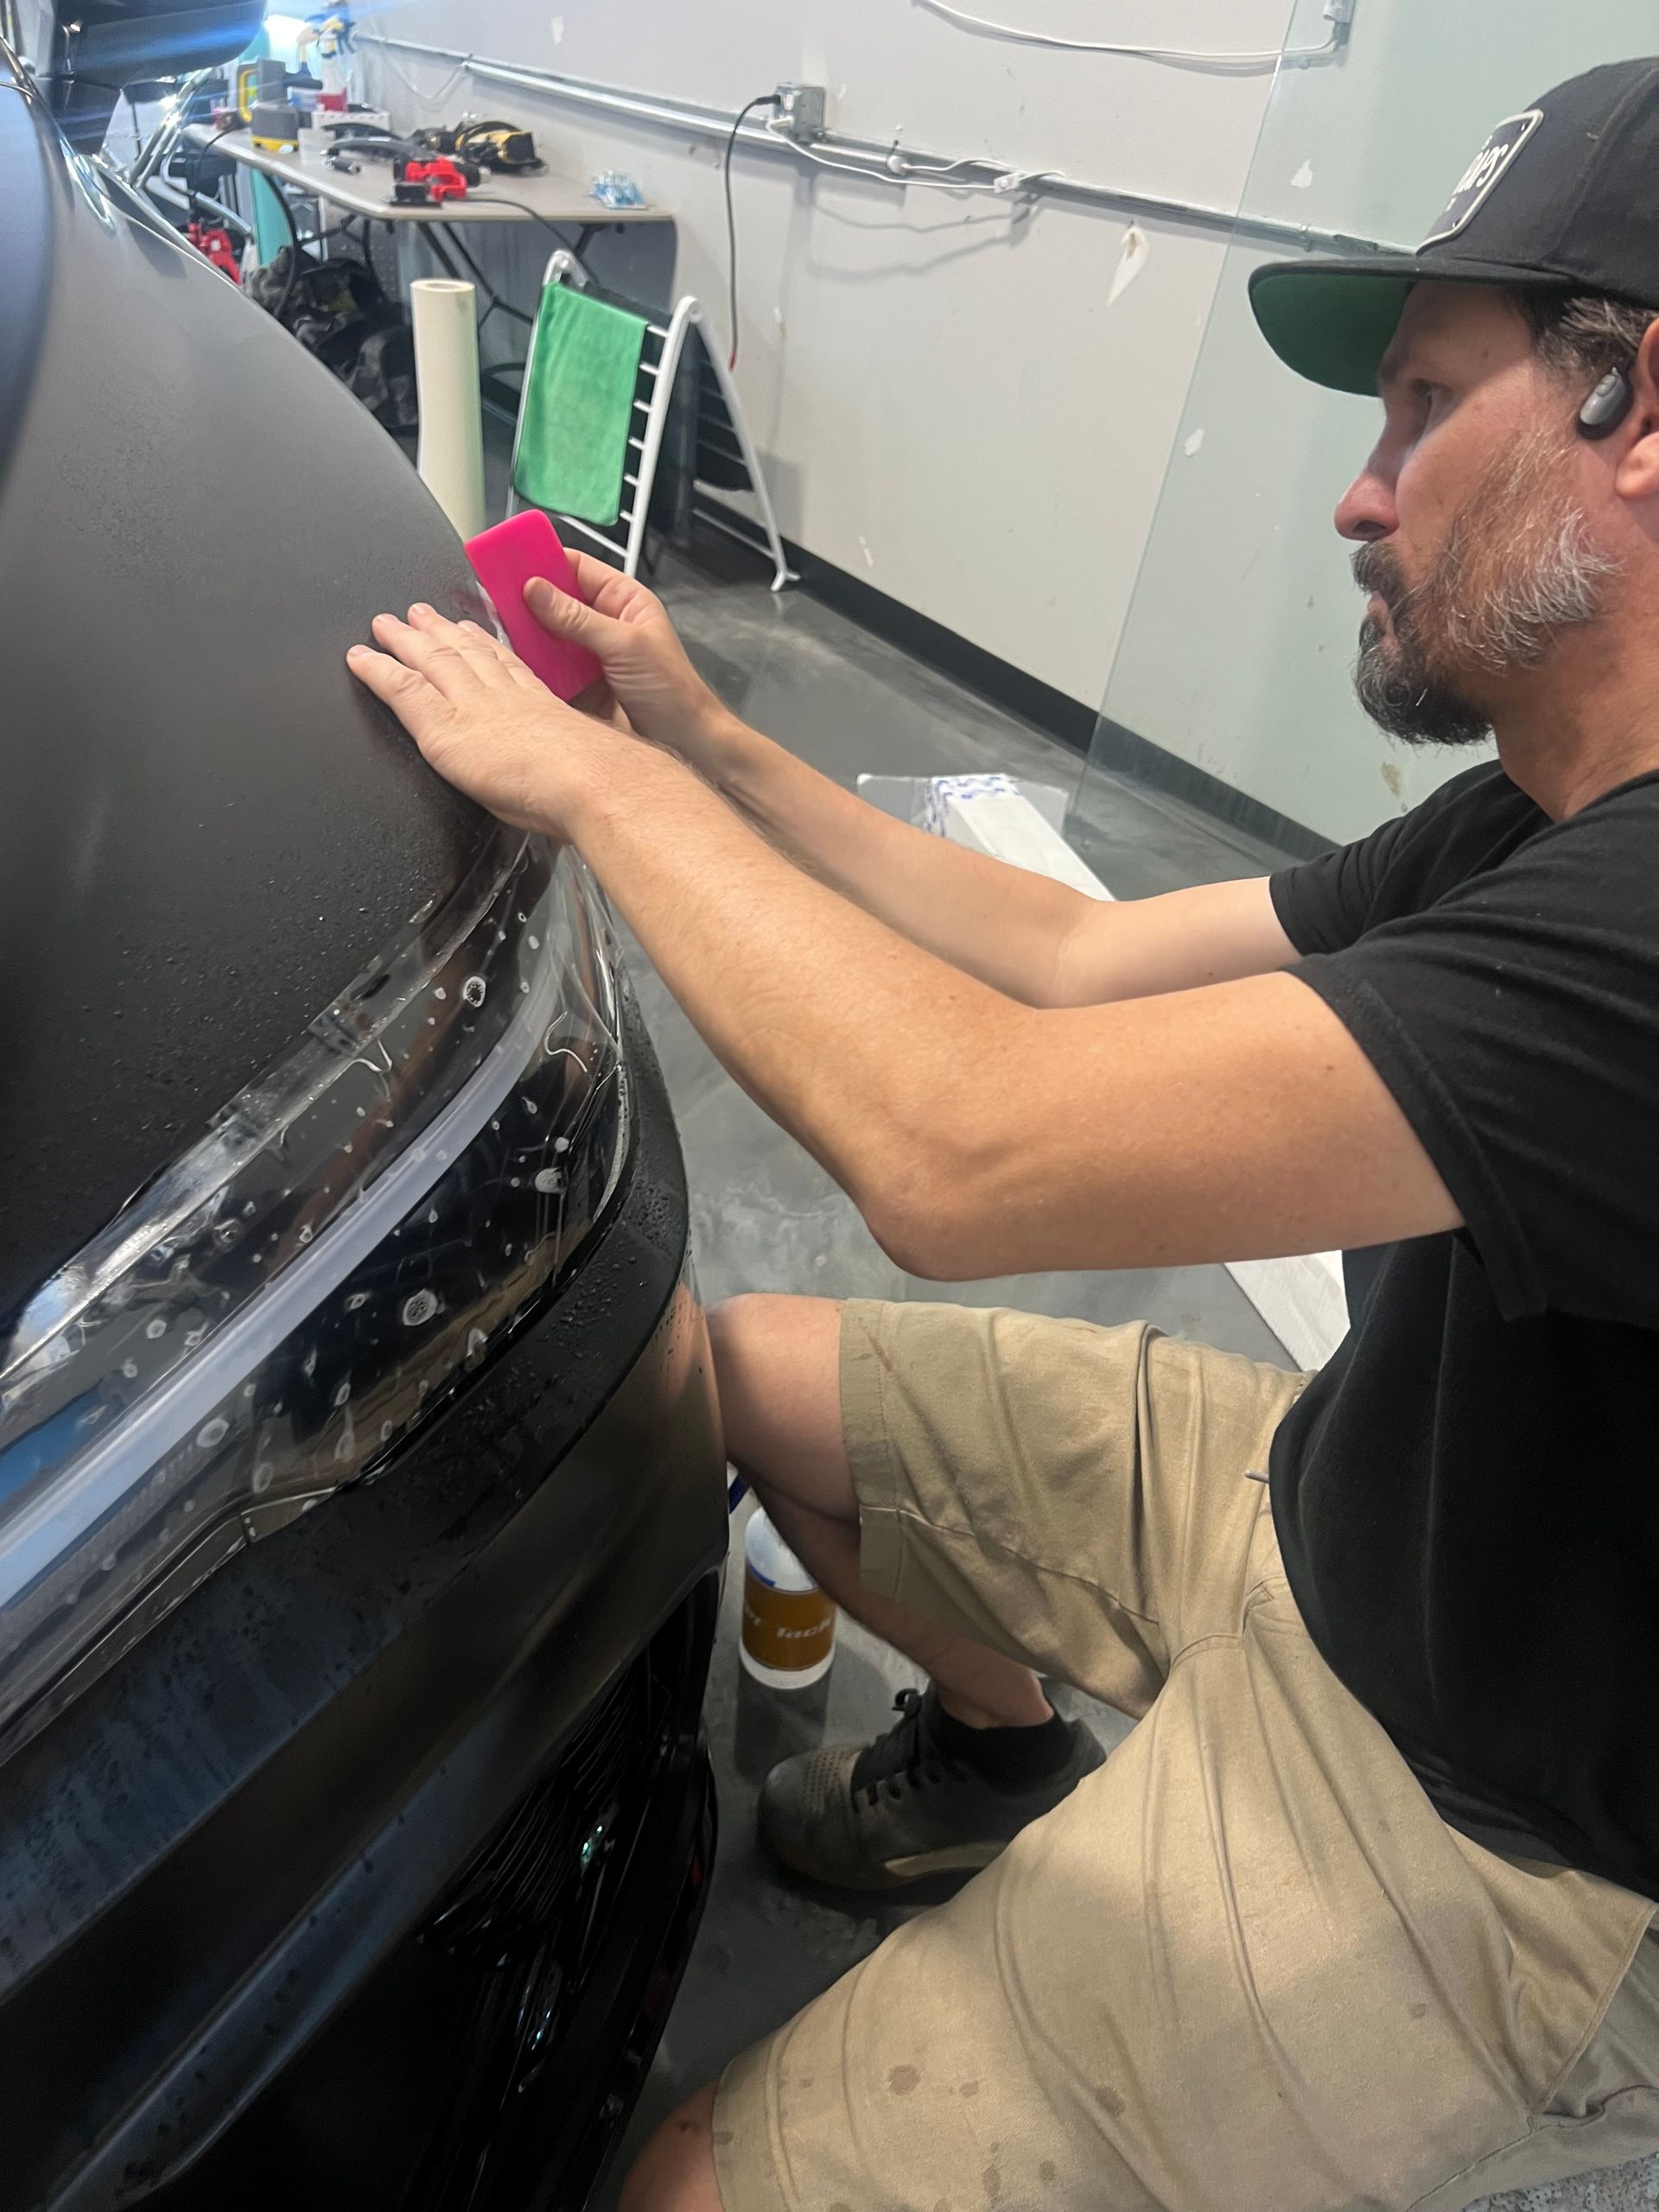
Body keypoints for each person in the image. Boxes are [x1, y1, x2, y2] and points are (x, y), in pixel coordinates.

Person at [349, 58, 1659, 2212]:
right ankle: (997, 1752)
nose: (1361, 493)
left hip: (1492, 1826)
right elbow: (1061, 961)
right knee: (741, 1376)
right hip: (1340, 1514)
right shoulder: (1541, 801)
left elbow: (963, 1151)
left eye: (1424, 407)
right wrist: (700, 727)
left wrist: (588, 786)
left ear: (1638, 402)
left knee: (687, 2184)